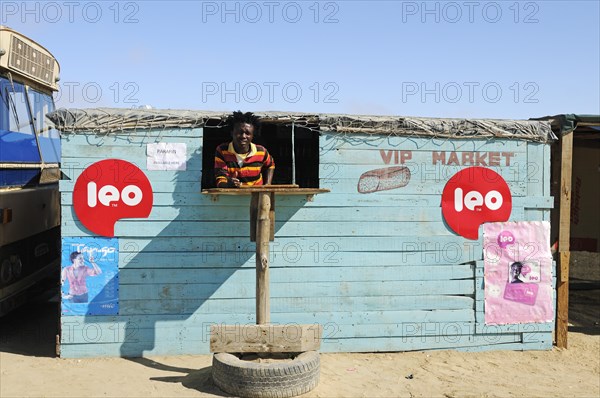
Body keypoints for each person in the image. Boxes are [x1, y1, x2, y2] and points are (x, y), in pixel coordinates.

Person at [214, 111, 275, 188]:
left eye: (248, 133)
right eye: (239, 132)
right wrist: (228, 184)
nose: (243, 136)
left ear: (253, 135)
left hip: (255, 195)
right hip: (233, 196)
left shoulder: (261, 151)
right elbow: (220, 178)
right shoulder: (222, 151)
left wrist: (268, 184)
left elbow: (270, 165)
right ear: (232, 133)